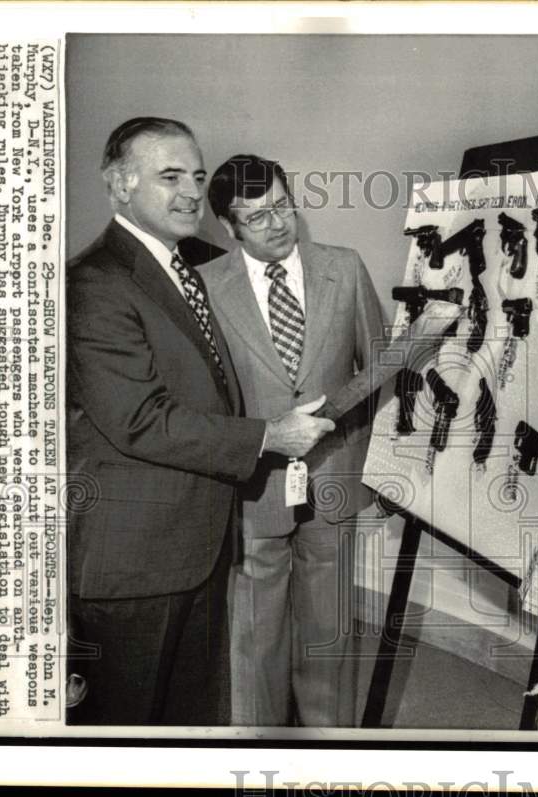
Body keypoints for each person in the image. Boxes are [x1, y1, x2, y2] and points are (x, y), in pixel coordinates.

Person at [66, 118, 335, 725]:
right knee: (127, 730)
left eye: (195, 175)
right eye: (169, 177)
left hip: (195, 545)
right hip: (134, 565)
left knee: (187, 721)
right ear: (120, 186)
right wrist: (269, 435)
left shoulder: (187, 267)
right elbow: (139, 419)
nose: (190, 191)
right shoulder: (95, 282)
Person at [200, 154, 386, 726]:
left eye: (281, 205)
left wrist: (374, 471)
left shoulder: (344, 269)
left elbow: (377, 370)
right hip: (254, 489)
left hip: (333, 479)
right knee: (254, 635)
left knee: (328, 627)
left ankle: (329, 747)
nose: (277, 223)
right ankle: (259, 750)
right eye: (256, 218)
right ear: (230, 229)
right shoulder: (205, 288)